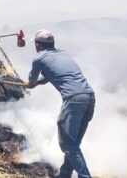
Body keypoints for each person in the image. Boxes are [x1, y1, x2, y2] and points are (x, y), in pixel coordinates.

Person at [25, 29, 96, 178]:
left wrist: (32, 83)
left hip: (74, 99)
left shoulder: (39, 58)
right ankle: (65, 174)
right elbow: (53, 73)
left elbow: (31, 81)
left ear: (38, 45)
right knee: (73, 141)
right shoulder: (63, 53)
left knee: (69, 145)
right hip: (89, 97)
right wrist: (39, 83)